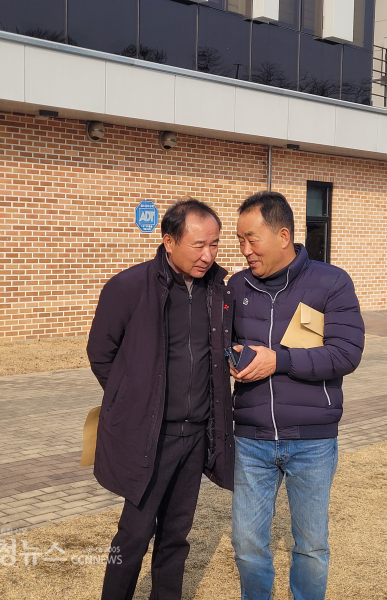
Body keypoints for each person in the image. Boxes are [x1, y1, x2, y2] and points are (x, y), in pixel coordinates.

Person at [86, 198, 234, 600]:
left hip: (195, 434)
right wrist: (134, 400)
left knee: (176, 535)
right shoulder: (129, 287)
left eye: (215, 245)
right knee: (133, 534)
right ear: (169, 241)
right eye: (198, 245)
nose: (208, 256)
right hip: (151, 438)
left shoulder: (218, 289)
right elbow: (101, 352)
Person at [227, 191, 365, 600]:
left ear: (283, 235)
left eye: (252, 239)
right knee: (247, 543)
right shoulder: (236, 286)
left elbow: (345, 353)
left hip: (312, 440)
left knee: (311, 546)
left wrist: (279, 360)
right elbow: (218, 343)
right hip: (251, 437)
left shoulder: (331, 282)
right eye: (239, 240)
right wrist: (229, 357)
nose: (245, 250)